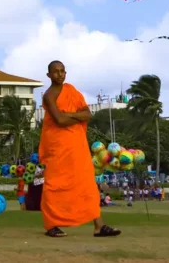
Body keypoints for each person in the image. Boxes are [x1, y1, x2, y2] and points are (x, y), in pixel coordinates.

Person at [40, 61, 120, 238]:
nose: (60, 75)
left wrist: (69, 114)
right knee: (54, 185)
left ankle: (99, 225)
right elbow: (59, 121)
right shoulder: (48, 96)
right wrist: (75, 117)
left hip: (77, 145)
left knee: (87, 184)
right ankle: (51, 225)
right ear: (49, 75)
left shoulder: (71, 91)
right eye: (56, 72)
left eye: (62, 71)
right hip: (57, 147)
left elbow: (87, 114)